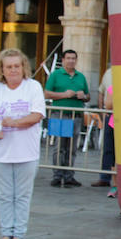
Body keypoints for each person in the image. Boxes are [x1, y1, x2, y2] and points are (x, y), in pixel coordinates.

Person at [0, 49, 46, 239]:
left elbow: (36, 115)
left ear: (23, 67)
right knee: (4, 195)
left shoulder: (33, 87)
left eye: (17, 66)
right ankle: (5, 232)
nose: (13, 70)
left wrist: (14, 122)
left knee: (22, 195)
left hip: (27, 151)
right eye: (9, 67)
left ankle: (19, 234)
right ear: (2, 69)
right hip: (2, 151)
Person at [44, 49, 90, 187]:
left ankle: (69, 175)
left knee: (72, 147)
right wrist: (64, 95)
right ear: (63, 60)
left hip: (75, 116)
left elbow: (88, 96)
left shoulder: (81, 76)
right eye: (68, 58)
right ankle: (57, 175)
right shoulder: (55, 75)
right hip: (60, 114)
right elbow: (46, 93)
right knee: (59, 146)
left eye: (73, 58)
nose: (71, 61)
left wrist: (84, 96)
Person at [92, 66, 114, 188]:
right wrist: (101, 110)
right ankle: (105, 177)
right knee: (107, 147)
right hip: (109, 115)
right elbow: (101, 91)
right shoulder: (108, 73)